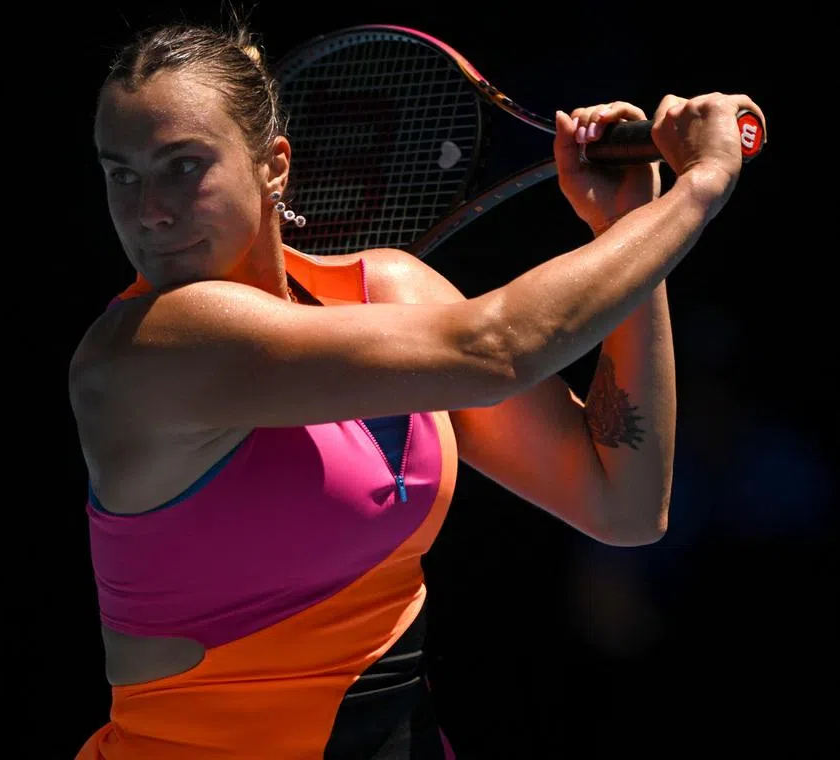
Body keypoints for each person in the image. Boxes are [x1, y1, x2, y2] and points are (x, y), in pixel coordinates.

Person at [68, 13, 765, 759]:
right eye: (123, 175)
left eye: (182, 164)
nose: (150, 211)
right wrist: (697, 190)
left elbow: (620, 499)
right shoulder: (146, 354)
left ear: (273, 165)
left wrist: (622, 222)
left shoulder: (388, 291)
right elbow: (500, 347)